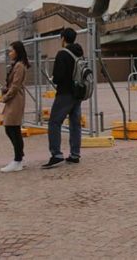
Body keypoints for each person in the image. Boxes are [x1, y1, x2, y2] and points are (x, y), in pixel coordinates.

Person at [42, 28, 85, 169]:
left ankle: (56, 154)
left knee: (54, 122)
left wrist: (54, 79)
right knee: (75, 123)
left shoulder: (62, 54)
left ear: (63, 38)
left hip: (65, 93)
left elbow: (58, 77)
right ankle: (75, 154)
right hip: (77, 92)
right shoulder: (80, 53)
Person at [0, 42, 30, 172]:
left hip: (15, 100)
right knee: (11, 129)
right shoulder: (16, 65)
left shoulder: (19, 66)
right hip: (12, 99)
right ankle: (19, 157)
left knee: (12, 128)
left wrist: (4, 98)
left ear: (17, 51)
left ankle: (18, 160)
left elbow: (15, 86)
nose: (9, 53)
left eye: (11, 51)